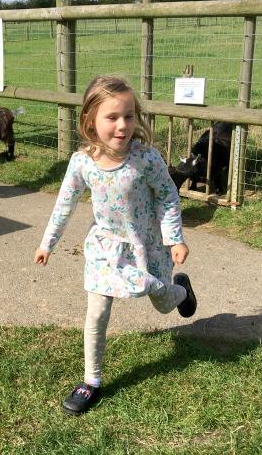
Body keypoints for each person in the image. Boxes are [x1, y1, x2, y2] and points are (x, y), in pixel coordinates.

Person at [34, 75, 196, 415]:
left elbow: (168, 196)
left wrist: (175, 238)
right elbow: (64, 204)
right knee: (97, 311)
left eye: (129, 116)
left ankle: (181, 290)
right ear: (90, 120)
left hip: (146, 245)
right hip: (105, 248)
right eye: (112, 117)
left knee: (163, 303)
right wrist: (47, 243)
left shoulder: (146, 159)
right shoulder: (82, 163)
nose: (122, 125)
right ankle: (91, 381)